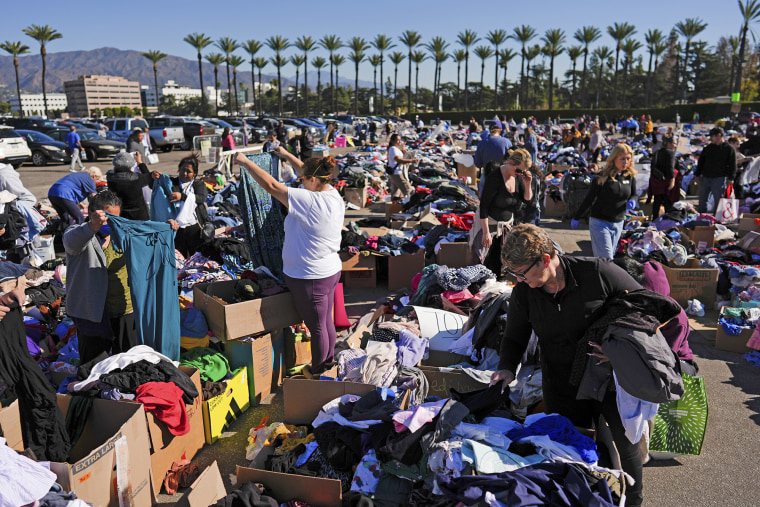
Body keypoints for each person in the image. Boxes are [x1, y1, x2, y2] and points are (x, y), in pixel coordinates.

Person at [491, 224, 645, 507]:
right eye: (516, 275)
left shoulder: (597, 272)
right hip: (561, 380)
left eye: (524, 273)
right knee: (572, 445)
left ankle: (633, 501)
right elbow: (514, 337)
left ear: (546, 259)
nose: (521, 280)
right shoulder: (525, 292)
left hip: (607, 377)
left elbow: (646, 306)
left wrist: (619, 349)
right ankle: (590, 498)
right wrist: (506, 368)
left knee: (624, 442)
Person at [232, 147, 344, 377]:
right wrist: (285, 155)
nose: (300, 182)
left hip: (311, 277)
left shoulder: (309, 201)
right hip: (328, 271)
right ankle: (327, 364)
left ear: (313, 180)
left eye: (303, 180)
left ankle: (319, 372)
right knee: (324, 322)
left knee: (317, 326)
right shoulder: (332, 193)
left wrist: (245, 162)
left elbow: (272, 186)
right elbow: (307, 170)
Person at [471, 148, 533, 276]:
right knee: (481, 263)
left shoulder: (519, 177)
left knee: (501, 263)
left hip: (506, 225)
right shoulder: (494, 178)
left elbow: (527, 199)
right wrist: (485, 232)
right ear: (510, 163)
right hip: (489, 223)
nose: (520, 173)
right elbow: (484, 207)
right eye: (518, 170)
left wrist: (527, 185)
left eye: (523, 171)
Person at [571, 143, 637, 259]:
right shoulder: (602, 177)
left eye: (628, 159)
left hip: (618, 222)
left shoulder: (629, 176)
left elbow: (634, 194)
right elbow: (589, 199)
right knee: (606, 258)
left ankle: (598, 276)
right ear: (614, 159)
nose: (625, 162)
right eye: (622, 159)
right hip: (600, 222)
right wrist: (577, 217)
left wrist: (633, 200)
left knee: (609, 256)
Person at [159, 154, 209, 258]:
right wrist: (152, 174)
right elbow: (154, 184)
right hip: (177, 228)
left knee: (197, 256)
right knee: (180, 258)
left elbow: (201, 198)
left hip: (194, 227)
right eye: (182, 170)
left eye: (189, 171)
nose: (184, 173)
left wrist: (182, 196)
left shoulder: (198, 184)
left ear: (194, 173)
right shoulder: (172, 183)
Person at [695, 127, 736, 214]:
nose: (710, 138)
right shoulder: (708, 148)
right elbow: (701, 162)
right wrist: (697, 175)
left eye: (712, 136)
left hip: (719, 179)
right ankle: (702, 218)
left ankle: (716, 220)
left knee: (719, 202)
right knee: (702, 201)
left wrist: (731, 178)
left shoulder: (729, 149)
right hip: (705, 178)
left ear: (719, 136)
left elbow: (733, 165)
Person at [47, 167, 102, 233]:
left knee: (65, 219)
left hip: (52, 193)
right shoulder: (90, 179)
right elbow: (95, 197)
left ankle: (63, 239)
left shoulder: (80, 175)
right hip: (64, 194)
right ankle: (79, 237)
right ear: (94, 176)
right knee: (79, 217)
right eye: (96, 179)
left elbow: (72, 186)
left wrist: (80, 204)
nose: (96, 182)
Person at [106, 151, 155, 221]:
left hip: (120, 215)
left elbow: (111, 172)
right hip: (139, 216)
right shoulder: (136, 178)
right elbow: (150, 178)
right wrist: (140, 162)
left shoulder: (110, 177)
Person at [473, 122, 512, 194]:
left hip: (487, 176)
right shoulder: (507, 142)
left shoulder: (482, 143)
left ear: (489, 129)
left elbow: (478, 164)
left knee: (485, 201)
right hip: (503, 176)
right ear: (500, 130)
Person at [648, 137, 677, 219]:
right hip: (665, 181)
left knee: (657, 201)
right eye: (674, 143)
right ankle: (667, 220)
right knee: (668, 201)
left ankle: (655, 219)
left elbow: (652, 165)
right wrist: (672, 180)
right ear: (669, 144)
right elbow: (670, 167)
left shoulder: (657, 152)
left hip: (656, 180)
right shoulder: (670, 153)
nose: (675, 145)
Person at [386, 133, 419, 199]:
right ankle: (409, 205)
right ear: (392, 141)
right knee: (408, 189)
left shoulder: (395, 148)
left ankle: (393, 207)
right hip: (397, 173)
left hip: (395, 173)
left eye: (400, 140)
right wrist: (412, 161)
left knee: (395, 192)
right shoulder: (393, 149)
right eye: (397, 140)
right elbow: (398, 160)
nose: (399, 142)